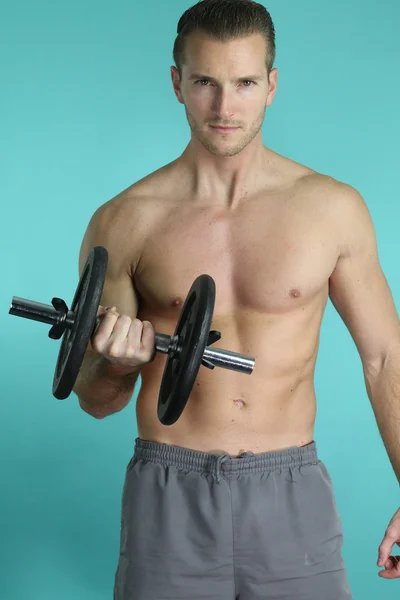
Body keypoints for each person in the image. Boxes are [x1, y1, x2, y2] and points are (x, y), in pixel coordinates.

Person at [73, 0, 400, 598]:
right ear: (177, 83)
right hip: (167, 493)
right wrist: (116, 364)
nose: (226, 108)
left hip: (290, 491)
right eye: (206, 83)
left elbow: (385, 357)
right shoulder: (123, 222)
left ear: (272, 85)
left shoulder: (332, 209)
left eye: (245, 83)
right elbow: (95, 399)